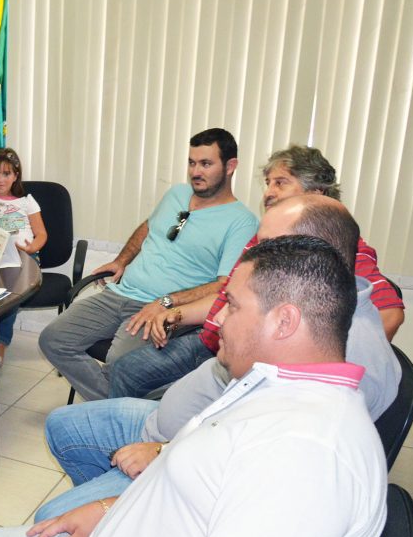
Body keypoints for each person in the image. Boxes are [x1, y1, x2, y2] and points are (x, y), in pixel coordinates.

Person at [0, 235, 387, 537]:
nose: (217, 317)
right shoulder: (276, 386)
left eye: (232, 306)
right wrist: (110, 510)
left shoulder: (308, 452)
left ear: (284, 321)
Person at [35, 194, 400, 522]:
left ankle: (121, 526)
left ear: (317, 258)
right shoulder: (310, 310)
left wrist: (162, 454)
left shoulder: (336, 350)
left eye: (269, 248)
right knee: (62, 424)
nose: (252, 256)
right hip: (174, 431)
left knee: (51, 519)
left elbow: (252, 472)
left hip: (183, 461)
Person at [109, 144, 405, 400]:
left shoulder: (338, 246)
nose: (269, 193)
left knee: (166, 397)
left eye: (281, 183)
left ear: (316, 192)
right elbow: (229, 298)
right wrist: (174, 312)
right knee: (126, 371)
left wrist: (305, 377)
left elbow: (390, 314)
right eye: (268, 183)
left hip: (246, 360)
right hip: (211, 342)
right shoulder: (265, 238)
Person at [38, 128, 258, 401]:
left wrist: (167, 302)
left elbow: (224, 286)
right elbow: (149, 227)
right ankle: (118, 408)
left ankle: (115, 409)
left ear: (230, 166)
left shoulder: (241, 221)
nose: (195, 172)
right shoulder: (177, 193)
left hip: (161, 309)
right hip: (120, 293)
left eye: (206, 164)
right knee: (53, 339)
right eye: (191, 163)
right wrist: (122, 260)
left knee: (120, 366)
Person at [0, 148, 47, 366]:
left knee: (10, 293)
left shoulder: (27, 202)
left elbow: (41, 234)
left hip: (25, 258)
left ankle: (0, 341)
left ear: (15, 176)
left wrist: (32, 248)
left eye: (6, 174)